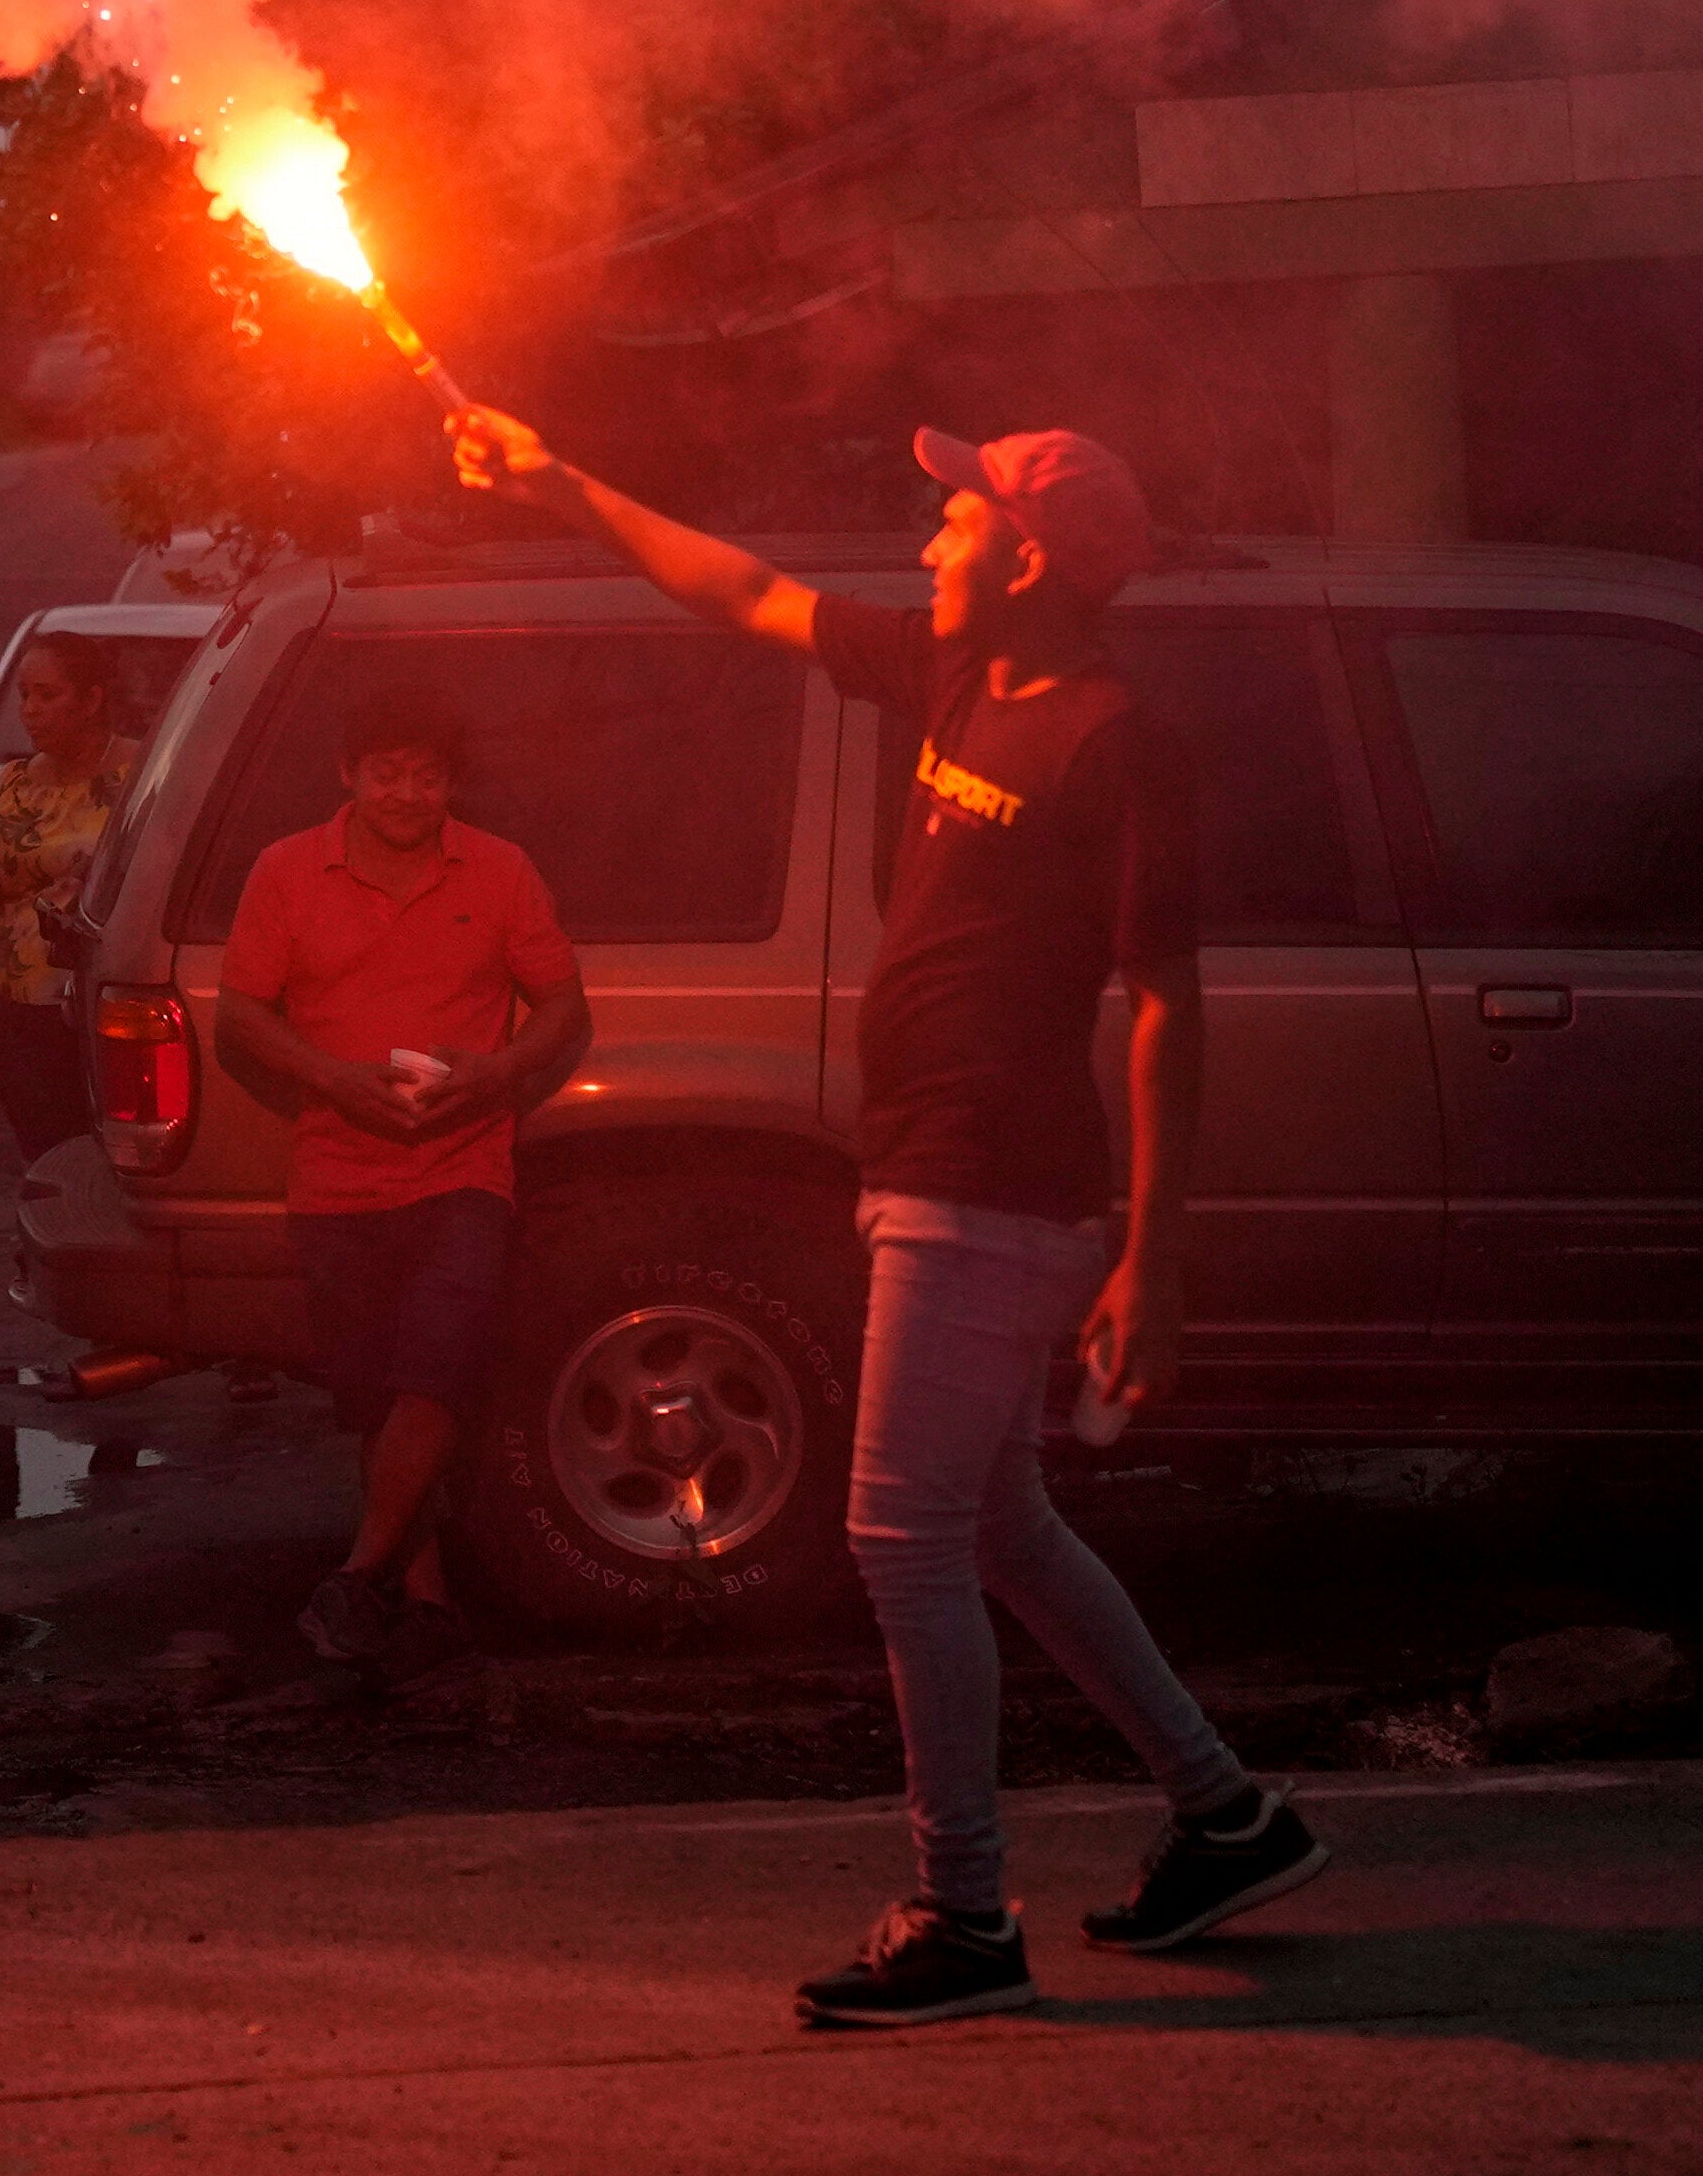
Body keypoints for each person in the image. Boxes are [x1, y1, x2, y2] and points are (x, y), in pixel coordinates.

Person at [455, 400, 1328, 2028]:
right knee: (999, 1530)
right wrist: (566, 479)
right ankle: (1228, 1816)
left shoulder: (1116, 742)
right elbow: (738, 592)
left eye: (960, 519)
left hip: (994, 1181)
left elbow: (1165, 1005)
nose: (930, 537)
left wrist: (1157, 1250)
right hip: (927, 1165)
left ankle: (963, 1912)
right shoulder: (948, 674)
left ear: (1034, 558)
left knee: (897, 1540)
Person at [208, 677, 587, 1671]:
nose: (407, 794)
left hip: (463, 1165)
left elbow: (561, 1005)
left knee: (438, 1367)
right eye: (388, 773)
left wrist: (497, 1071)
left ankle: (355, 1571)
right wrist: (332, 1077)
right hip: (336, 1174)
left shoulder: (501, 871)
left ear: (451, 782)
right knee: (377, 1398)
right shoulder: (289, 871)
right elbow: (240, 1013)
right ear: (350, 774)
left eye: (426, 776)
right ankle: (417, 1597)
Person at [0, 649, 133, 1162]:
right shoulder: (11, 785)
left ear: (92, 700)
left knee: (112, 1152)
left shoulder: (143, 773)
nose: (29, 710)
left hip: (105, 1001)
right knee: (45, 1151)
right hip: (19, 1008)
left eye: (47, 694)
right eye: (24, 695)